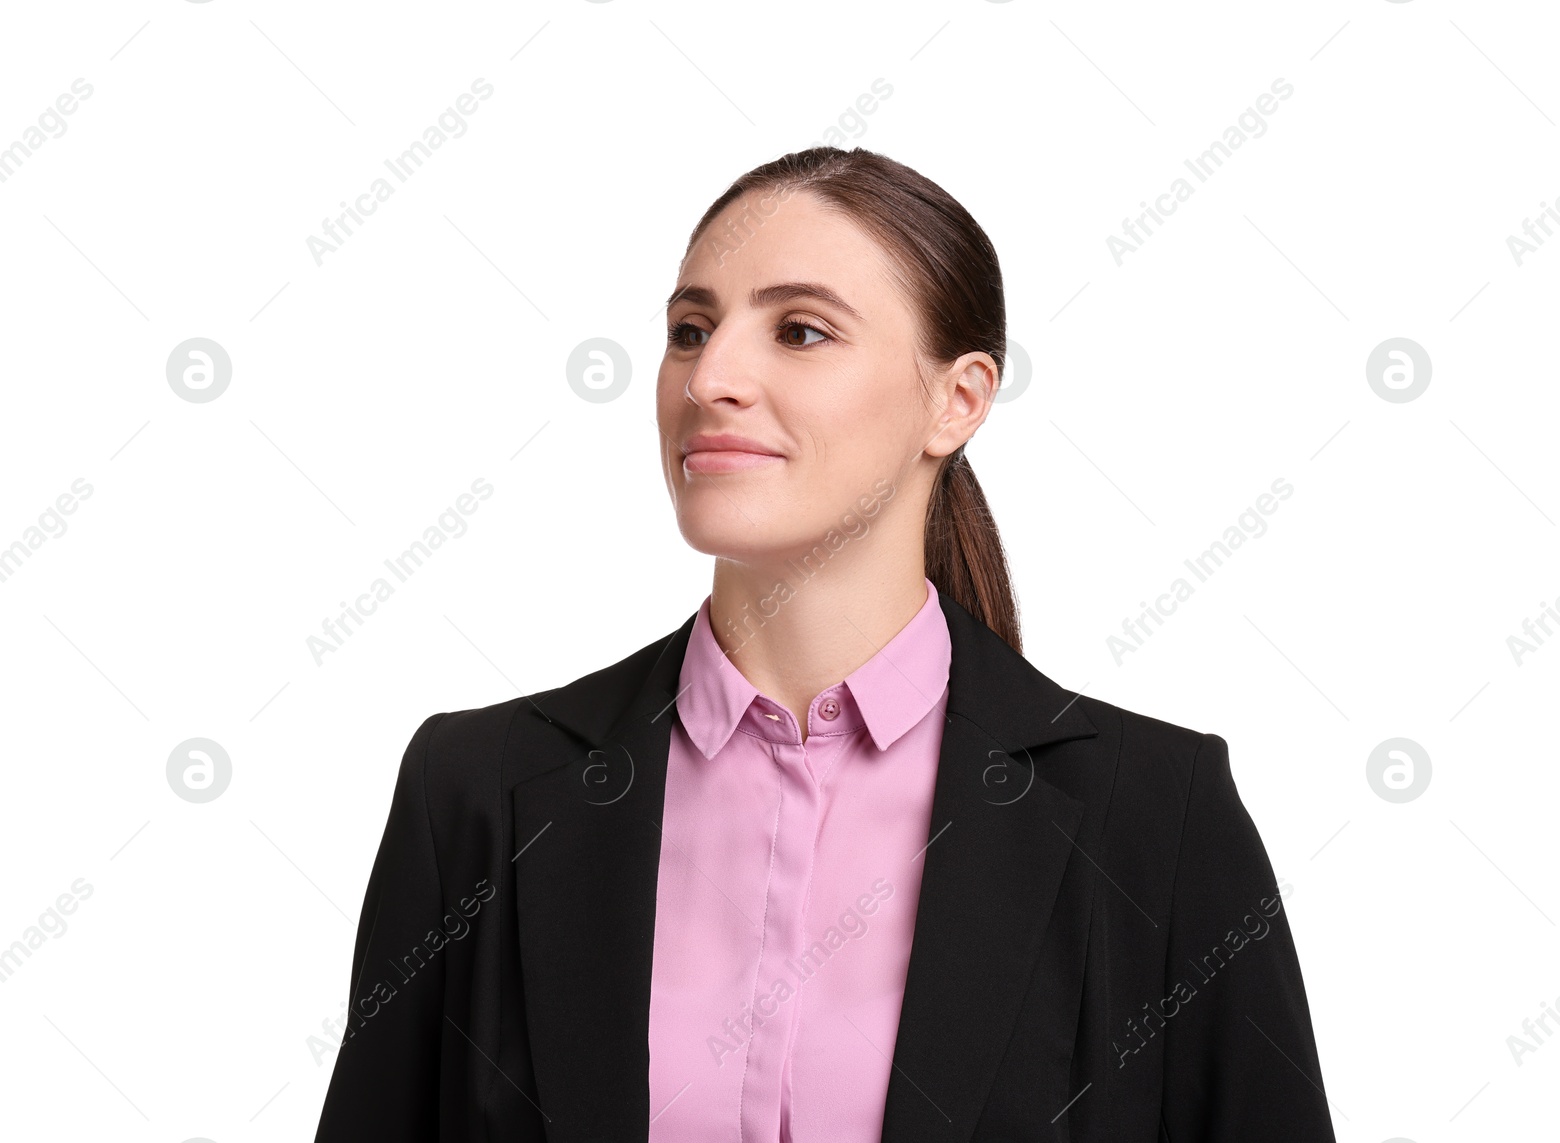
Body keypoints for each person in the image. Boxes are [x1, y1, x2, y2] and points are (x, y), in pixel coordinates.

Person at [313, 146, 1337, 1142]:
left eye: (799, 332)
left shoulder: (1154, 820)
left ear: (958, 400)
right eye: (688, 329)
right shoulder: (478, 794)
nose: (711, 375)